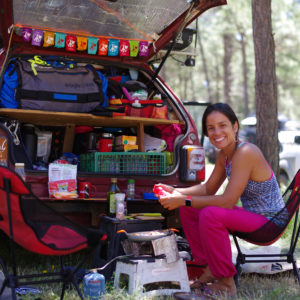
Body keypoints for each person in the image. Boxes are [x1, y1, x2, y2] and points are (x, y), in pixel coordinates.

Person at [155, 103, 286, 297]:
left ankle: (226, 283)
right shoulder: (224, 154)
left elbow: (227, 201)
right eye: (211, 128)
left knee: (210, 213)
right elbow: (208, 188)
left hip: (270, 222)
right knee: (190, 209)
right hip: (253, 216)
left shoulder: (246, 152)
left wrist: (183, 200)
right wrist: (177, 191)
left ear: (235, 126)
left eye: (222, 125)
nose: (217, 132)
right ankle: (206, 269)